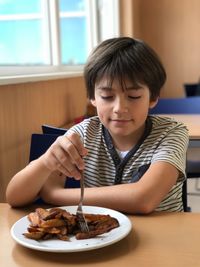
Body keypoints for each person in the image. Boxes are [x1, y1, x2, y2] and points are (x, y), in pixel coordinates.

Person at [6, 37, 189, 213]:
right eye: (107, 97)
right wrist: (45, 162)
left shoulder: (171, 133)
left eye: (133, 96)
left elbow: (144, 199)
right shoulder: (83, 134)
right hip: (102, 238)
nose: (119, 108)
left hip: (163, 237)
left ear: (153, 97)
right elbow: (14, 197)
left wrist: (55, 195)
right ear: (92, 97)